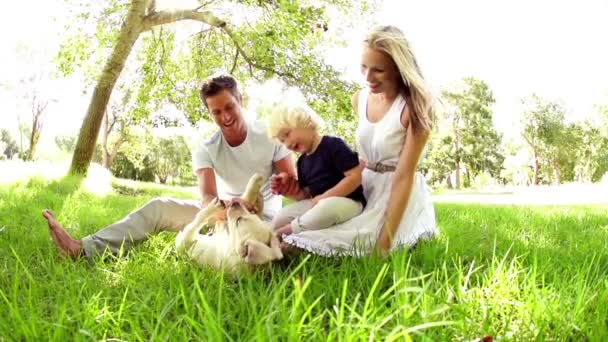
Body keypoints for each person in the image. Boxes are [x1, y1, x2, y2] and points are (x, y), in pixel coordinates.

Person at [42, 74, 296, 259]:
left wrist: (284, 183)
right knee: (158, 207)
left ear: (241, 99)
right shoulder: (207, 147)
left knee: (290, 240)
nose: (225, 116)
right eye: (216, 112)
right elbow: (207, 197)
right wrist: (226, 208)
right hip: (222, 215)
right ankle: (83, 249)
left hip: (264, 222)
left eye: (230, 106)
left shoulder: (270, 134)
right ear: (209, 112)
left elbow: (292, 181)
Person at [273, 25, 439, 256]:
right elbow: (357, 160)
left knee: (346, 244)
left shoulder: (414, 108)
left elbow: (404, 177)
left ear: (398, 68)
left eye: (378, 70)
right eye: (364, 67)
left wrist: (383, 245)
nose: (368, 77)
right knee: (308, 227)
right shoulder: (360, 99)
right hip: (363, 187)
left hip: (397, 193)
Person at [266, 102, 366, 238]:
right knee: (281, 216)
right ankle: (280, 232)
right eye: (283, 141)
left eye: (288, 134)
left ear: (305, 122)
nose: (288, 144)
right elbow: (306, 196)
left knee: (325, 208)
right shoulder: (302, 162)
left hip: (348, 201)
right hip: (318, 203)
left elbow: (354, 178)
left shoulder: (333, 145)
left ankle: (284, 233)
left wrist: (323, 198)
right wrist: (288, 192)